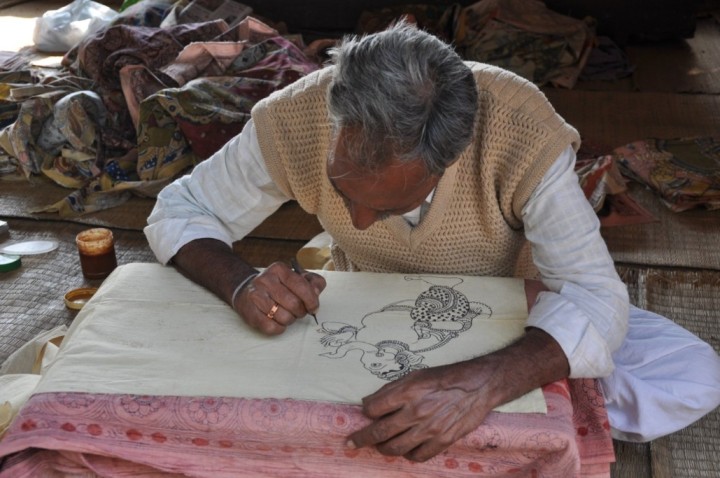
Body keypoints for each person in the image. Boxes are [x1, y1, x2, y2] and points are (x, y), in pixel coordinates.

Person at [145, 21, 720, 462]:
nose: (364, 223)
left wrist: (481, 384)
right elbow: (181, 208)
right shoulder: (295, 116)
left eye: (388, 205)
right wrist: (241, 282)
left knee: (693, 374)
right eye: (346, 196)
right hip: (366, 300)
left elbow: (593, 294)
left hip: (509, 310)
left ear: (446, 162)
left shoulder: (520, 130)